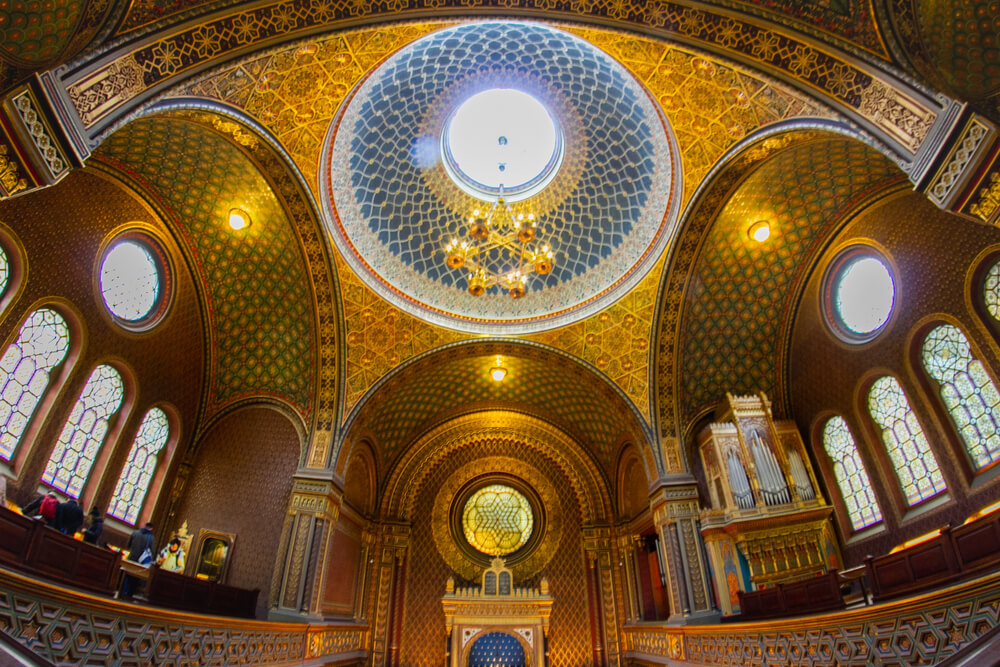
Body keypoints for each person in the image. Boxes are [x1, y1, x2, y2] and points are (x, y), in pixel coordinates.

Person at [121, 522, 155, 599]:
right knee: (136, 577)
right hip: (141, 560)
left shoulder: (135, 533)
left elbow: (128, 545)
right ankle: (130, 594)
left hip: (132, 557)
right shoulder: (151, 538)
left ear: (144, 526)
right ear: (151, 529)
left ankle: (123, 591)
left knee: (127, 575)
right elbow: (152, 551)